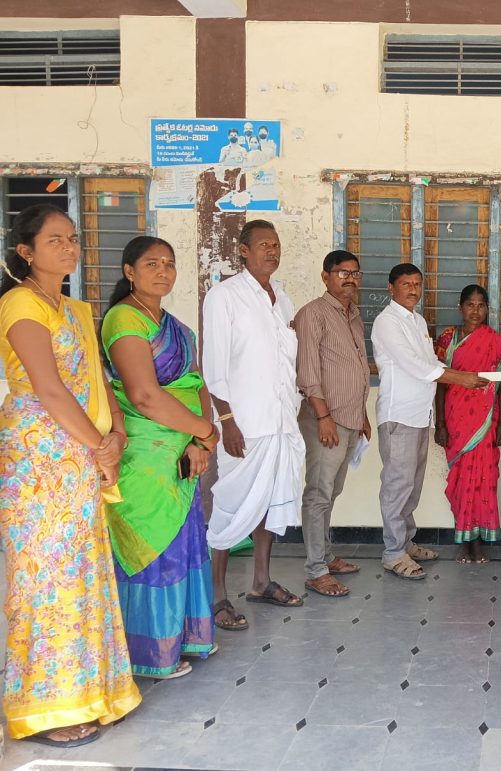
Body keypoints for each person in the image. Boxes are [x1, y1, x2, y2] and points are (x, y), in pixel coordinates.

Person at [0, 204, 141, 747]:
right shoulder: (20, 304)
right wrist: (100, 447)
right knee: (45, 580)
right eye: (55, 240)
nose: (69, 247)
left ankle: (93, 694)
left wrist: (117, 434)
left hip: (80, 456)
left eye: (73, 238)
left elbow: (99, 383)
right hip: (38, 461)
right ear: (25, 251)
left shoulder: (76, 309)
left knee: (83, 574)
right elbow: (50, 389)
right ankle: (45, 710)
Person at [101, 237, 219, 679]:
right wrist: (204, 431)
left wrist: (201, 441)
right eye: (151, 264)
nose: (163, 271)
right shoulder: (123, 318)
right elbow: (144, 396)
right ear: (129, 272)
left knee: (182, 544)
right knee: (153, 547)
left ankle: (182, 637)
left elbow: (197, 384)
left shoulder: (179, 328)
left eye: (169, 263)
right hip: (145, 455)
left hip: (184, 451)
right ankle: (149, 652)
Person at [202, 219, 305, 628]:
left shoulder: (283, 299)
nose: (272, 251)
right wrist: (226, 420)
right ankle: (217, 595)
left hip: (279, 421)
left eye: (276, 245)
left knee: (268, 501)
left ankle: (261, 581)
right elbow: (214, 366)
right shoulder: (224, 296)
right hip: (243, 424)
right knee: (230, 504)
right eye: (264, 245)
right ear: (243, 251)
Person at [371, 264, 487, 580]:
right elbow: (416, 366)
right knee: (397, 485)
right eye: (406, 284)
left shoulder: (418, 321)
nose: (413, 290)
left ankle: (406, 543)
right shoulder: (387, 322)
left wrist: (461, 374)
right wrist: (462, 378)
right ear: (391, 287)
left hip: (420, 415)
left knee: (411, 484)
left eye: (417, 284)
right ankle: (393, 553)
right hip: (398, 415)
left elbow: (430, 361)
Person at [294, 250, 370, 598]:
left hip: (350, 418)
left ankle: (324, 555)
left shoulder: (353, 314)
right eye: (342, 272)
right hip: (325, 420)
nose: (350, 279)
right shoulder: (313, 314)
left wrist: (363, 414)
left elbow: (356, 366)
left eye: (355, 273)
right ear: (325, 277)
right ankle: (316, 571)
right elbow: (308, 373)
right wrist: (323, 417)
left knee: (332, 491)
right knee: (318, 493)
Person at [434, 284, 501, 565]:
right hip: (456, 422)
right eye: (470, 305)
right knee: (460, 480)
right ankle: (464, 539)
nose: (475, 311)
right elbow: (439, 381)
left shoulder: (494, 341)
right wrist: (440, 423)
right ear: (460, 307)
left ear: (487, 309)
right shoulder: (447, 339)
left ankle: (478, 542)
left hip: (486, 422)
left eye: (481, 306)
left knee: (484, 480)